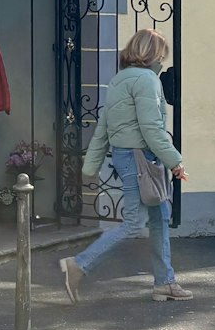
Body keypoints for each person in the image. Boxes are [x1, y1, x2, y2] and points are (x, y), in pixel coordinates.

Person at [58, 28, 193, 303]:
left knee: (159, 217)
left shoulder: (119, 80)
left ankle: (164, 282)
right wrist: (175, 161)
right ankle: (79, 264)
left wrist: (89, 167)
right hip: (141, 158)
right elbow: (152, 129)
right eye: (162, 55)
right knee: (134, 223)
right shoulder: (146, 80)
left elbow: (103, 128)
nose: (163, 61)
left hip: (127, 156)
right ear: (152, 53)